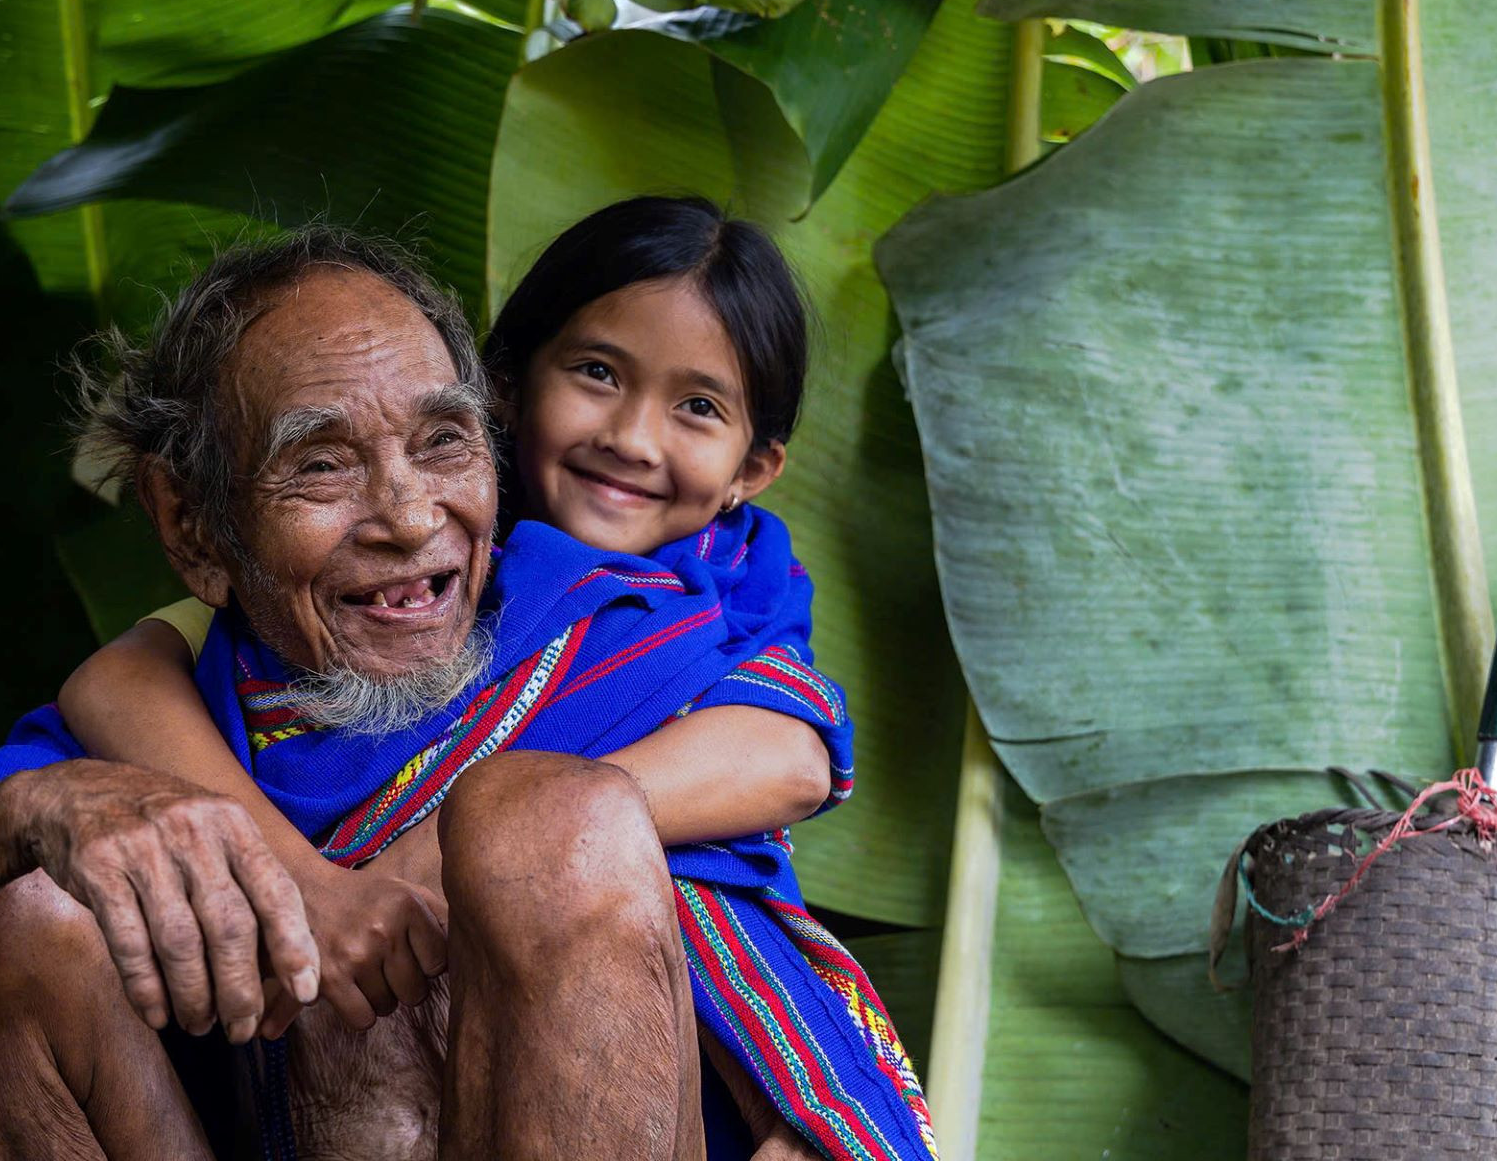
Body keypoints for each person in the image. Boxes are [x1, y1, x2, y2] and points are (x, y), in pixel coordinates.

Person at [0, 217, 930, 1161]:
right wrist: (29, 815)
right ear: (191, 526)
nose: (407, 517)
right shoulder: (178, 726)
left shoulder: (620, 630)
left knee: (553, 822)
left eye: (443, 443)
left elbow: (793, 749)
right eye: (322, 463)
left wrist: (427, 857)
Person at [57, 197, 933, 1160]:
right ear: (507, 389)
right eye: (598, 374)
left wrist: (471, 844)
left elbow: (793, 754)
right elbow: (118, 682)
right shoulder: (428, 549)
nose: (634, 439)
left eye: (698, 407)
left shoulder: (732, 574)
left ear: (753, 469)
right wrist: (302, 882)